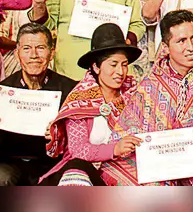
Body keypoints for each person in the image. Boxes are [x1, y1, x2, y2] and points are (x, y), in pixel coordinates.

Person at [100, 10, 193, 186]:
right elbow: (129, 131)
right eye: (181, 41)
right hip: (162, 161)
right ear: (165, 47)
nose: (191, 47)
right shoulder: (151, 84)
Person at [39, 23, 142, 186]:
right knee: (76, 170)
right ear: (96, 66)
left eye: (124, 65)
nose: (121, 72)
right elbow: (78, 150)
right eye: (113, 64)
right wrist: (115, 149)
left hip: (124, 172)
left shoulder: (135, 95)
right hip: (85, 173)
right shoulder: (80, 100)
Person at [0, 23, 78, 185]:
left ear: (51, 53)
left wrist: (61, 137)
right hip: (10, 163)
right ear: (16, 54)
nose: (34, 55)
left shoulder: (70, 91)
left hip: (53, 163)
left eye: (40, 48)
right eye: (26, 49)